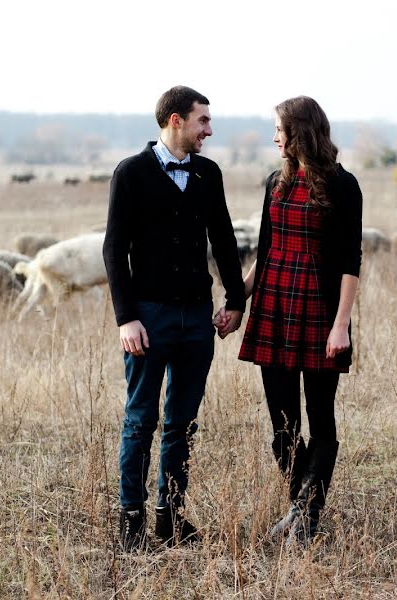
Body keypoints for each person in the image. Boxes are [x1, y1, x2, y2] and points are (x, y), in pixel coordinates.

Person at [103, 85, 245, 551]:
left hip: (196, 320)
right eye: (203, 120)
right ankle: (131, 523)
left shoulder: (208, 173)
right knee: (141, 420)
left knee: (182, 421)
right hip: (148, 317)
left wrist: (235, 300)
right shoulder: (132, 174)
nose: (209, 129)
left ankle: (171, 517)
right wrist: (127, 318)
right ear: (176, 121)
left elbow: (224, 239)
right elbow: (113, 251)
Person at [233, 95, 362, 544]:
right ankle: (299, 504)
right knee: (282, 427)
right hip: (274, 306)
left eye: (279, 129)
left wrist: (341, 325)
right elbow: (264, 250)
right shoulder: (275, 182)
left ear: (300, 131)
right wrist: (235, 300)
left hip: (320, 312)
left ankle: (306, 518)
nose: (274, 137)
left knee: (320, 419)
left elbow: (350, 260)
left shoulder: (343, 185)